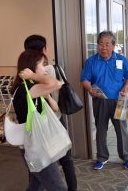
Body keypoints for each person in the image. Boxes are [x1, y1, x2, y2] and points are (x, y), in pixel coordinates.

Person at [24, 35, 78, 191]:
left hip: (38, 126)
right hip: (56, 121)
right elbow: (60, 86)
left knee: (38, 165)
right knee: (65, 161)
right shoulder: (53, 69)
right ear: (44, 50)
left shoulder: (27, 75)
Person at [11, 50, 66, 190]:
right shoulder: (26, 88)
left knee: (37, 184)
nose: (46, 69)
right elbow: (57, 84)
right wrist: (34, 75)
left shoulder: (30, 87)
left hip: (35, 145)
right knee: (57, 187)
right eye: (43, 64)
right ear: (31, 66)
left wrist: (45, 92)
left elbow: (55, 107)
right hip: (35, 147)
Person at [80, 30, 128, 170]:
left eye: (107, 44)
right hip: (100, 100)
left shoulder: (121, 60)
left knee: (122, 130)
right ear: (97, 45)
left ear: (113, 45)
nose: (104, 48)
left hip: (119, 100)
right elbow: (85, 79)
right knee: (101, 130)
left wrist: (126, 87)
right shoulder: (91, 61)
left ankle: (126, 157)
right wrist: (90, 89)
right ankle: (102, 157)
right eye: (101, 44)